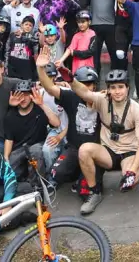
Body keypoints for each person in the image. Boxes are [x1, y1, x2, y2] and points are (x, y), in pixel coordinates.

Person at [69, 70, 139, 215]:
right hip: (108, 151)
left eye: (120, 87)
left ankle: (133, 172)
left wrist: (132, 170)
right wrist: (70, 79)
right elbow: (84, 92)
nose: (117, 91)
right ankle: (94, 193)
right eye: (113, 88)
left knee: (131, 180)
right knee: (84, 150)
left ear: (127, 88)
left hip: (129, 151)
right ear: (108, 89)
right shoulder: (102, 100)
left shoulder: (137, 110)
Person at [35, 49, 101, 191]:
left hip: (94, 151)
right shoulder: (70, 96)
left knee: (86, 189)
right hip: (73, 148)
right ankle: (76, 171)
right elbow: (50, 87)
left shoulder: (102, 99)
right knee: (56, 173)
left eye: (89, 84)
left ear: (95, 85)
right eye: (81, 83)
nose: (85, 87)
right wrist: (40, 68)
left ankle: (86, 176)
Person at [3, 81, 61, 186]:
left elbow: (56, 123)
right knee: (9, 170)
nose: (23, 98)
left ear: (31, 95)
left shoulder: (39, 109)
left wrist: (42, 104)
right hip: (20, 148)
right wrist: (6, 157)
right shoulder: (10, 115)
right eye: (20, 95)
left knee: (35, 151)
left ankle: (37, 185)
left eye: (26, 95)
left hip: (38, 145)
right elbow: (9, 139)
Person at [86, 0, 120, 76]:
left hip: (111, 26)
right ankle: (94, 80)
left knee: (114, 55)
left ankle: (116, 78)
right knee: (95, 56)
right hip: (94, 26)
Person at [5, 15, 39, 80]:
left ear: (32, 27)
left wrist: (37, 70)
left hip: (27, 70)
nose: (28, 26)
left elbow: (35, 54)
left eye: (30, 25)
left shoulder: (34, 39)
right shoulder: (12, 35)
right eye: (26, 24)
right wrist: (6, 67)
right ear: (22, 25)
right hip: (12, 69)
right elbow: (7, 52)